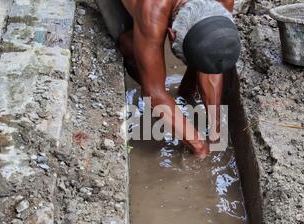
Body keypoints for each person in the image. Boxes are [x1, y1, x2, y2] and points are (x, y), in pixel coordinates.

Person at [96, 0, 241, 158]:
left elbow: (213, 55)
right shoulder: (152, 10)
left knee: (205, 53)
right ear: (172, 34)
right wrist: (199, 145)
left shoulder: (224, 2)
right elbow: (153, 93)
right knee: (130, 47)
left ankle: (185, 94)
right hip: (140, 11)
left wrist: (216, 129)